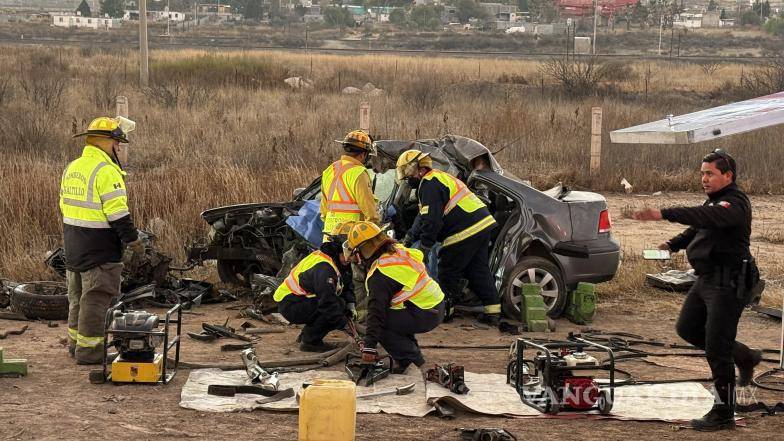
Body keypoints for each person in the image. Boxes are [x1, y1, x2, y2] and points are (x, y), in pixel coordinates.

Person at [630, 149, 762, 432]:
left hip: (730, 282)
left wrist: (663, 213)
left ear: (728, 175)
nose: (704, 178)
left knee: (716, 347)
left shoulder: (735, 204)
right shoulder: (715, 202)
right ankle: (745, 356)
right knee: (688, 329)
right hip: (706, 278)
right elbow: (699, 225)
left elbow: (705, 216)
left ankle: (723, 413)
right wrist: (674, 243)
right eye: (702, 173)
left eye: (710, 173)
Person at [60, 116, 143, 365]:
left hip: (74, 245)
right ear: (105, 142)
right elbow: (118, 213)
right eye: (116, 142)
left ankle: (76, 346)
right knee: (96, 300)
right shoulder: (106, 171)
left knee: (77, 299)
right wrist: (133, 241)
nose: (118, 147)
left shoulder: (73, 167)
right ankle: (90, 353)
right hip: (100, 248)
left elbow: (64, 206)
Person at [395, 149, 501, 325]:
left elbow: (432, 221)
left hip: (465, 229)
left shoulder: (429, 184)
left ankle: (445, 312)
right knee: (478, 270)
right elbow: (423, 217)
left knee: (447, 271)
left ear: (420, 169)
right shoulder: (437, 178)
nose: (407, 178)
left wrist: (425, 247)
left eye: (409, 172)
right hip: (481, 226)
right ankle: (493, 311)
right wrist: (409, 237)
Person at [345, 221, 444, 373]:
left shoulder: (380, 274)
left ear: (362, 252)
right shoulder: (395, 252)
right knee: (395, 315)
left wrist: (369, 348)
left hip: (425, 311)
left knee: (381, 322)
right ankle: (411, 354)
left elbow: (376, 313)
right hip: (432, 306)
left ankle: (411, 361)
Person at [321, 129, 380, 314]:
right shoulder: (359, 173)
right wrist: (375, 233)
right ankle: (361, 319)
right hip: (352, 235)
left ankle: (335, 317)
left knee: (333, 277)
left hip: (329, 234)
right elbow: (369, 210)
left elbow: (323, 209)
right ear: (363, 154)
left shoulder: (330, 170)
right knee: (357, 281)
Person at [274, 222, 357, 352]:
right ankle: (310, 342)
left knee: (341, 304)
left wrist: (351, 304)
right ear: (342, 249)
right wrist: (343, 324)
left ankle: (306, 335)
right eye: (352, 253)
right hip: (291, 304)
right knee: (337, 306)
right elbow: (327, 303)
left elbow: (346, 284)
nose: (354, 258)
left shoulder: (339, 261)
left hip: (299, 300)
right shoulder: (324, 268)